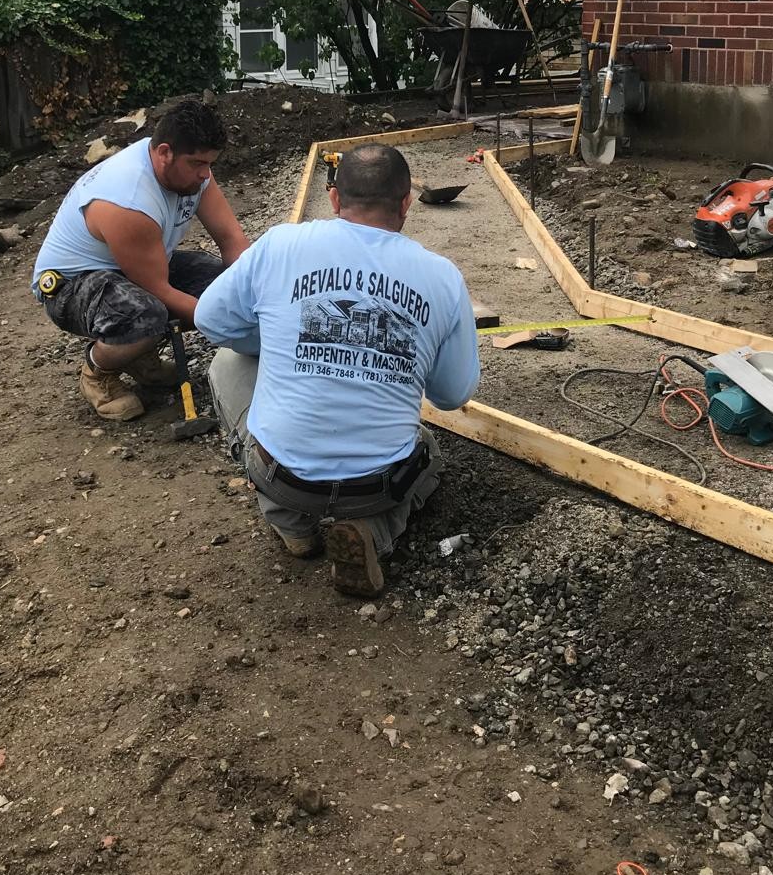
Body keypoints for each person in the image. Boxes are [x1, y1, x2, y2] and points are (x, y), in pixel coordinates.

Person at [195, 143, 480, 597]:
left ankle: (292, 525)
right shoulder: (442, 277)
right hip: (375, 487)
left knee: (227, 361)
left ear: (333, 198)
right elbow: (452, 394)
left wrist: (278, 344)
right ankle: (374, 532)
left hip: (284, 479)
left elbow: (210, 319)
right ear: (406, 203)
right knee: (427, 452)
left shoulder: (281, 244)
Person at [32, 99, 249, 421]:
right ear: (164, 153)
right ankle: (98, 372)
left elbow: (232, 241)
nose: (205, 174)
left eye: (209, 164)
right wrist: (228, 322)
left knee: (224, 287)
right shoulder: (128, 201)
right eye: (197, 163)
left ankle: (137, 354)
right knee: (146, 315)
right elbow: (159, 290)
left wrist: (256, 297)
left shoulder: (194, 174)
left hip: (132, 267)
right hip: (71, 285)